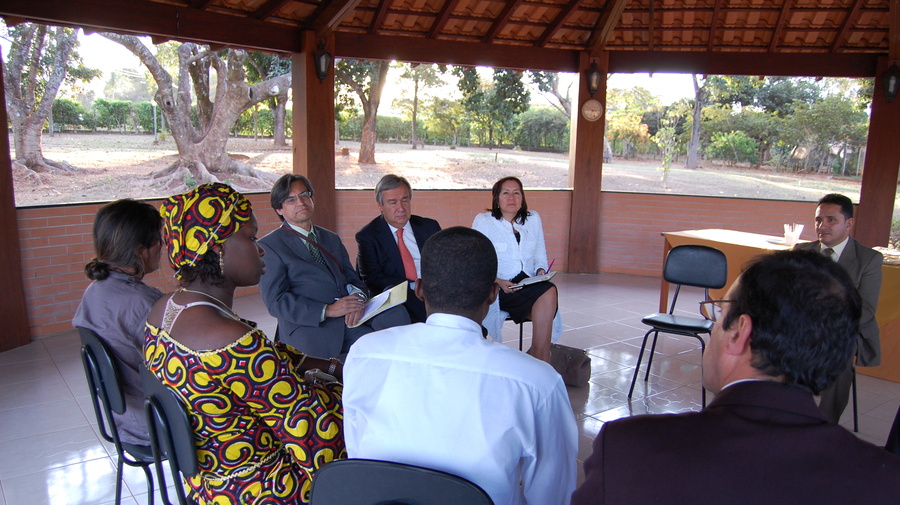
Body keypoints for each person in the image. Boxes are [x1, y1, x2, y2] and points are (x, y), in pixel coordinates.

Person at [571, 250, 900, 505]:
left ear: (739, 333)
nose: (715, 326)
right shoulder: (885, 480)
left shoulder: (632, 448)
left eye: (720, 312)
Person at [343, 227, 578, 505]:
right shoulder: (537, 382)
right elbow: (553, 494)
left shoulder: (365, 353)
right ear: (493, 294)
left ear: (419, 289)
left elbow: (359, 453)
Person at [144, 183, 346, 504]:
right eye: (252, 238)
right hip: (261, 489)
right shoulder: (229, 338)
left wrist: (330, 365)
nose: (261, 249)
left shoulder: (165, 308)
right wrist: (344, 395)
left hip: (208, 484)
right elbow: (316, 438)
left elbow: (263, 360)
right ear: (219, 249)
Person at [259, 174, 410, 358]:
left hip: (350, 318)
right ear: (279, 209)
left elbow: (354, 280)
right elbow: (276, 302)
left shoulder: (330, 238)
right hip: (312, 326)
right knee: (371, 351)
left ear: (312, 199)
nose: (301, 202)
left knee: (394, 321)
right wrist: (328, 310)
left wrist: (357, 299)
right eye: (291, 199)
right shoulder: (270, 246)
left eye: (304, 195)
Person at [72, 199, 164, 446]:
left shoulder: (95, 290)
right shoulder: (144, 303)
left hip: (121, 419)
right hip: (156, 424)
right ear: (141, 250)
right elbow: (182, 368)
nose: (163, 246)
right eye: (159, 239)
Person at [793, 193, 883, 423]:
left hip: (841, 331)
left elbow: (865, 310)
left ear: (848, 223)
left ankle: (825, 425)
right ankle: (786, 415)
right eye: (818, 220)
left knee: (838, 352)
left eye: (831, 220)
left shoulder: (868, 259)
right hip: (801, 327)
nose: (822, 226)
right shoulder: (802, 252)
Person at [472, 176, 558, 362]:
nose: (511, 198)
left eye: (516, 193)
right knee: (547, 295)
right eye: (506, 193)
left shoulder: (533, 219)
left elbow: (540, 255)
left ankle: (539, 354)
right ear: (497, 198)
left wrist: (541, 271)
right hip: (498, 287)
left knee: (548, 290)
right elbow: (476, 261)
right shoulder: (484, 221)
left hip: (528, 283)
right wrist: (498, 281)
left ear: (522, 198)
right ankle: (540, 360)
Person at [355, 174, 441, 322]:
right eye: (393, 202)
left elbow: (446, 263)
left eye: (405, 200)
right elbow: (373, 279)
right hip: (400, 298)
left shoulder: (429, 227)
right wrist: (415, 288)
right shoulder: (368, 236)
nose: (401, 208)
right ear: (380, 205)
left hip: (436, 292)